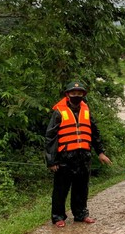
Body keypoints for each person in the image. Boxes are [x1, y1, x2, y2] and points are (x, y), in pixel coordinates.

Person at [45, 81, 112, 228]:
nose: (77, 95)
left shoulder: (86, 111)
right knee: (61, 189)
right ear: (68, 95)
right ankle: (58, 217)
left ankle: (81, 214)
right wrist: (51, 161)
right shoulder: (59, 112)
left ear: (83, 95)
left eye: (80, 93)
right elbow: (51, 137)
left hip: (83, 156)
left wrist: (100, 152)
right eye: (74, 93)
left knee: (81, 188)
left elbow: (94, 133)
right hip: (65, 157)